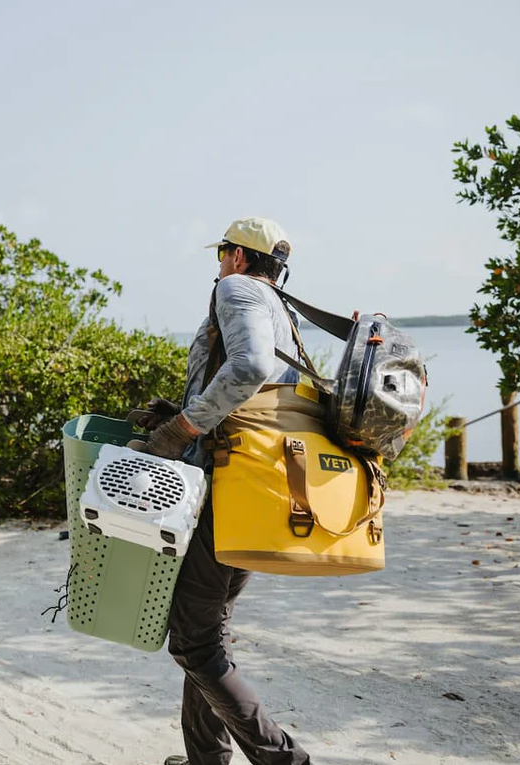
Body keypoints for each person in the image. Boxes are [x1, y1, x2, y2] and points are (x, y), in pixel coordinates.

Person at [131, 216, 311, 765]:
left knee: (192, 643)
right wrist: (187, 411)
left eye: (222, 254)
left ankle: (285, 760)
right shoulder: (283, 310)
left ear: (237, 257)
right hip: (260, 492)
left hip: (225, 491)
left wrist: (184, 428)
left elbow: (251, 367)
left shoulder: (237, 289)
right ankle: (205, 758)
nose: (220, 264)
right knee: (207, 635)